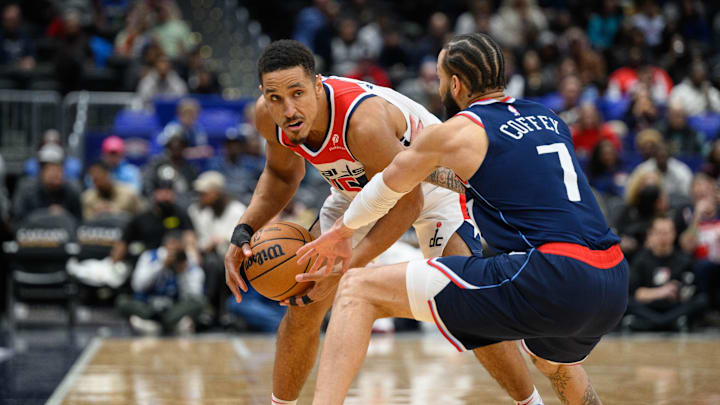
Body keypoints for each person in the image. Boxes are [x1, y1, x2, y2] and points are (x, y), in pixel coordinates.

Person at [298, 33, 628, 405]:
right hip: (610, 279)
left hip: (550, 274)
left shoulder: (459, 130)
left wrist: (342, 232)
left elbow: (384, 189)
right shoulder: (548, 117)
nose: (439, 88)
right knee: (552, 362)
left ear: (455, 84)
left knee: (358, 290)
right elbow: (481, 177)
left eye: (440, 79)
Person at [224, 39, 545, 405]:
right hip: (354, 193)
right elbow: (282, 177)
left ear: (318, 85)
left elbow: (408, 202)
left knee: (465, 305)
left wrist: (347, 265)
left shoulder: (363, 123)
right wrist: (243, 231)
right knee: (304, 302)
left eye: (297, 93)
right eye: (276, 97)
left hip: (432, 187)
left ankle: (531, 403)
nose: (288, 108)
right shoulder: (268, 115)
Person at [116, 231, 206, 335]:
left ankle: (154, 324)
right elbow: (138, 286)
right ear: (165, 245)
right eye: (172, 248)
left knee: (200, 302)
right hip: (148, 305)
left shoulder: (188, 260)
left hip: (173, 308)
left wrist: (182, 273)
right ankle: (170, 325)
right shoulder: (149, 256)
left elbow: (195, 294)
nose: (174, 253)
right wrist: (161, 265)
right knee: (122, 300)